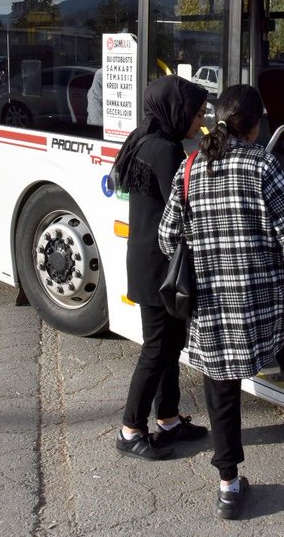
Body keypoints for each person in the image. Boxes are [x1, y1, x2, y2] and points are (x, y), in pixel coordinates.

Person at [159, 84, 284, 521]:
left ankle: (229, 488)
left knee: (221, 392)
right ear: (256, 125)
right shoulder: (263, 165)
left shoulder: (190, 167)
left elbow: (166, 238)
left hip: (212, 305)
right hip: (262, 298)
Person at [113, 75, 210, 461]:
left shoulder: (144, 139)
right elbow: (184, 210)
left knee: (170, 346)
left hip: (149, 263)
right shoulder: (166, 150)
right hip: (160, 268)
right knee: (157, 349)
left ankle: (168, 418)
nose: (200, 122)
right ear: (177, 110)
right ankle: (130, 428)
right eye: (197, 113)